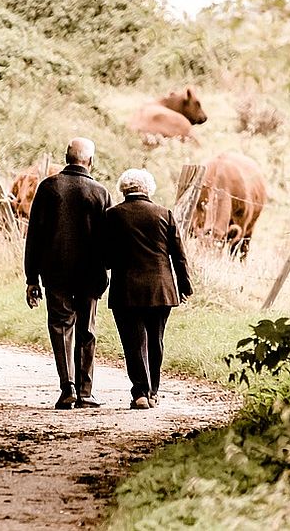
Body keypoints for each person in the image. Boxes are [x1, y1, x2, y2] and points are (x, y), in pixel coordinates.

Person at [24, 137, 112, 410]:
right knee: (87, 329)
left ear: (66, 157)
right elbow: (108, 240)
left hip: (55, 272)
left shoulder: (49, 188)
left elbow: (34, 236)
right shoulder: (100, 192)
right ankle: (86, 392)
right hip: (90, 273)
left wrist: (31, 278)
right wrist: (107, 269)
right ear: (90, 161)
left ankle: (68, 388)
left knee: (61, 327)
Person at [104, 168, 193, 410]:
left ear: (123, 189)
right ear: (148, 189)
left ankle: (140, 393)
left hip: (126, 290)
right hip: (161, 288)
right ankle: (153, 390)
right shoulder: (164, 214)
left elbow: (106, 257)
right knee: (156, 340)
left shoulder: (113, 215)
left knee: (133, 342)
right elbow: (179, 255)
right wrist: (184, 285)